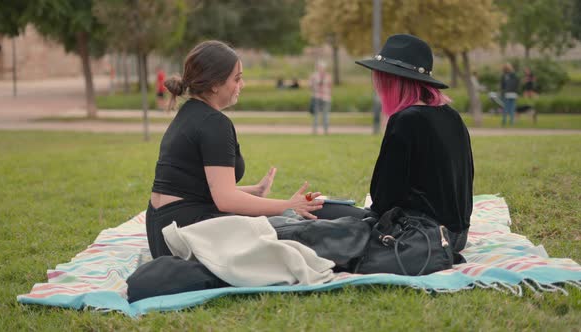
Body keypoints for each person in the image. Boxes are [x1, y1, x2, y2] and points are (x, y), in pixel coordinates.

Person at [147, 40, 323, 258]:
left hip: (162, 232)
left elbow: (194, 190)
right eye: (237, 79)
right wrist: (288, 205)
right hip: (184, 237)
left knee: (282, 224)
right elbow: (226, 200)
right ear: (214, 84)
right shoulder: (213, 123)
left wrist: (254, 192)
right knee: (294, 230)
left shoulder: (189, 113)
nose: (242, 85)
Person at [314, 34, 474, 263]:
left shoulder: (407, 119)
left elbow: (383, 199)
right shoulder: (452, 116)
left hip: (418, 235)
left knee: (319, 209)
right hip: (457, 235)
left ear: (391, 81)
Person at [309, 60, 332, 135]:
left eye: (322, 67)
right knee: (316, 115)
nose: (321, 68)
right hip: (316, 97)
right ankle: (315, 131)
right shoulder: (314, 76)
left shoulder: (328, 76)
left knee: (326, 115)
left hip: (326, 97)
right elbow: (311, 86)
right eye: (320, 67)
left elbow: (330, 86)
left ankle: (326, 130)